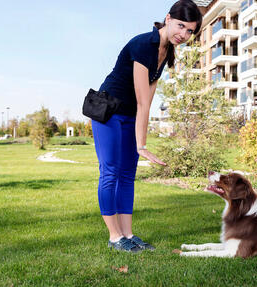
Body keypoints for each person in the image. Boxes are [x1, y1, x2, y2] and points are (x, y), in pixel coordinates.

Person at [91, 0, 202, 252]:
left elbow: (147, 103)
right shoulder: (143, 45)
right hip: (109, 112)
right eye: (180, 26)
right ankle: (114, 237)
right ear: (168, 18)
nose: (183, 35)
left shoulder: (165, 52)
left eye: (189, 31)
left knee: (128, 175)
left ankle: (128, 234)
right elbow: (142, 101)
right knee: (110, 172)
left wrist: (141, 141)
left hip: (130, 114)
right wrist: (142, 145)